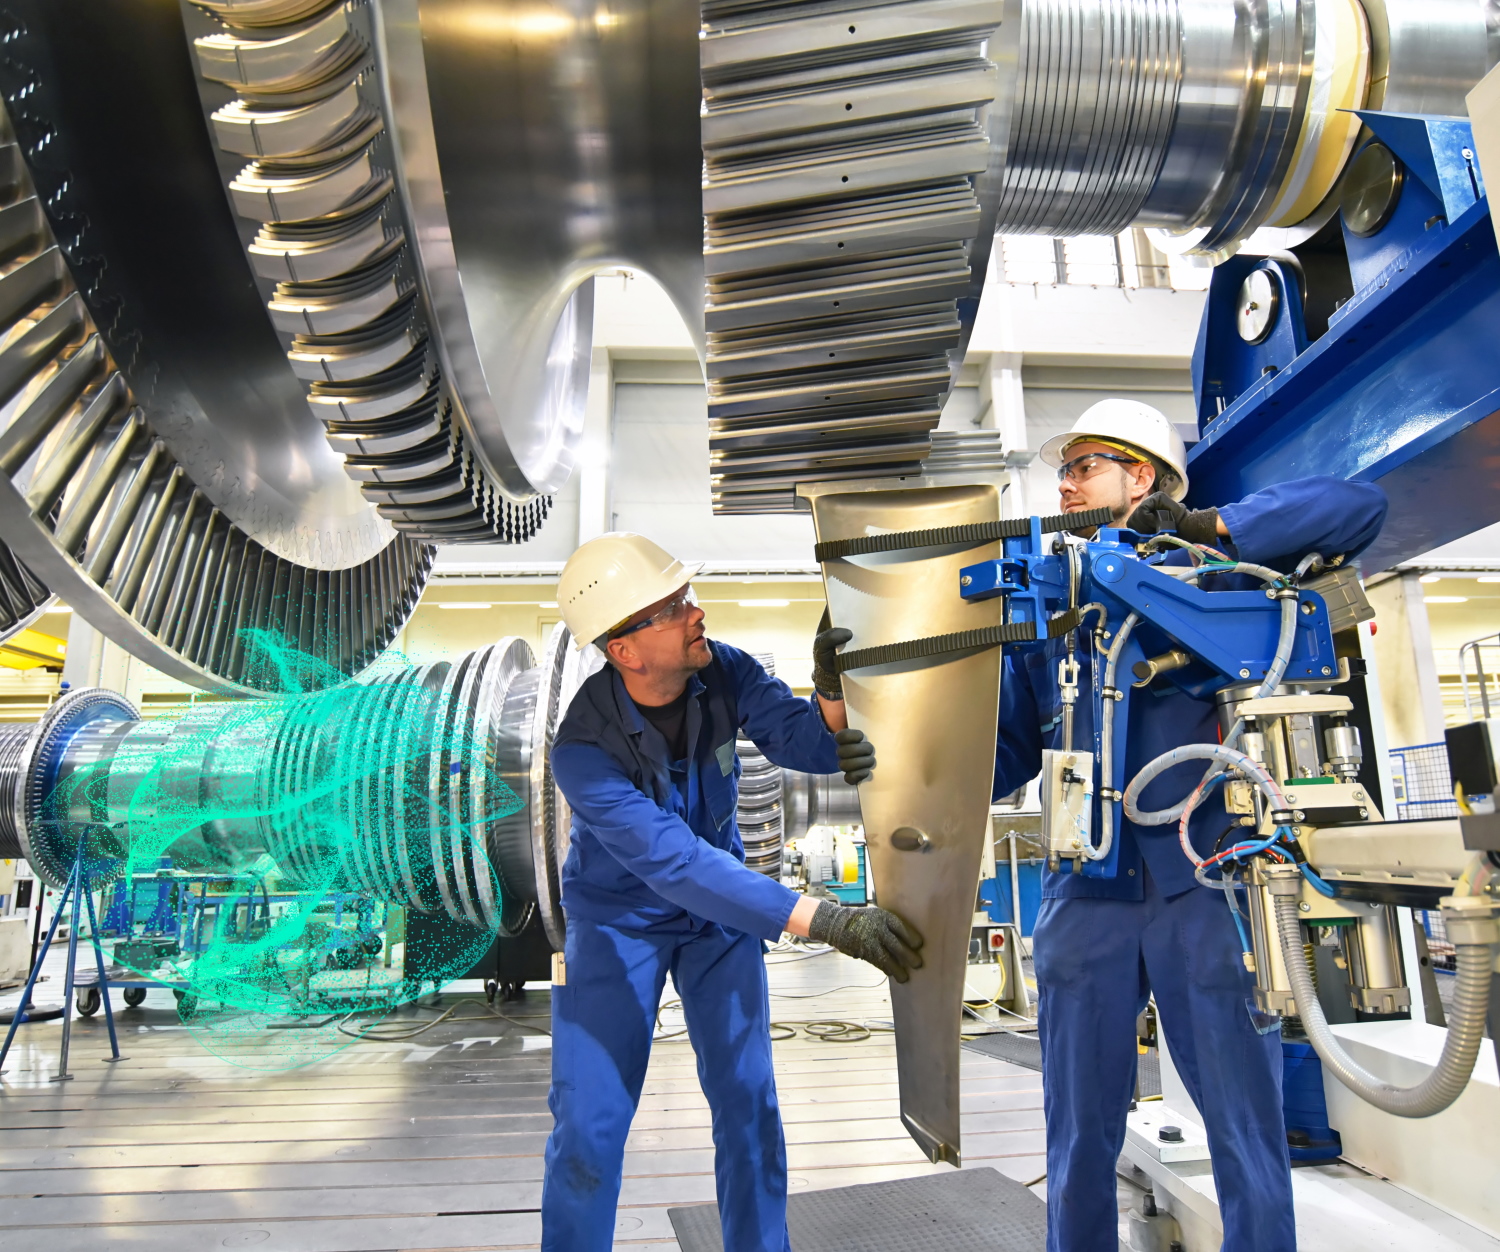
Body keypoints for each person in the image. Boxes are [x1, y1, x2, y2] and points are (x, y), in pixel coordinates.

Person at [995, 399, 1388, 1252]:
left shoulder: (1208, 583)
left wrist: (1209, 528)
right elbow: (1000, 761)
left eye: (1087, 465)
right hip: (1081, 894)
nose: (1065, 484)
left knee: (1246, 1129)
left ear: (1143, 477)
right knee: (1077, 1138)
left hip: (1196, 883)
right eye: (1061, 471)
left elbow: (1361, 506)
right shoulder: (1049, 612)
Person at [541, 532, 924, 1252]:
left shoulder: (724, 671)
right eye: (672, 606)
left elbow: (805, 744)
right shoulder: (582, 751)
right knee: (590, 1122)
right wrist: (829, 920)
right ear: (624, 648)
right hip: (620, 924)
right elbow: (674, 863)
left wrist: (834, 689)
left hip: (717, 923)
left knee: (748, 1102)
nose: (696, 612)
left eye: (686, 596)